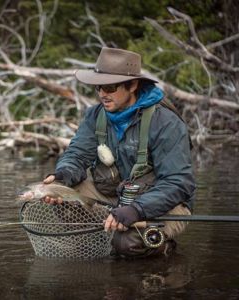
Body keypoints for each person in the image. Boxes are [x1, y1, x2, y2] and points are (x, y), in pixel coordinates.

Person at [43, 48, 196, 258]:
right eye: (98, 87)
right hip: (116, 195)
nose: (102, 94)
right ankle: (103, 239)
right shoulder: (95, 115)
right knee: (66, 196)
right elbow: (77, 155)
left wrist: (137, 210)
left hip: (167, 204)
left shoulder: (166, 122)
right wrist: (62, 176)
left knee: (128, 243)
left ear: (132, 85)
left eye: (110, 87)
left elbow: (179, 183)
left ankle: (162, 248)